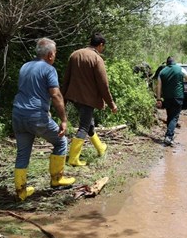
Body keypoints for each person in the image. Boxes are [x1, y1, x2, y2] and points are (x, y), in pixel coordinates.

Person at [12, 37, 75, 201]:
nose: (54, 56)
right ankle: (57, 179)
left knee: (23, 152)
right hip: (35, 116)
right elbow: (55, 95)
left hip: (18, 114)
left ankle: (21, 192)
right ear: (49, 55)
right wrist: (63, 120)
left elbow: (31, 91)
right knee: (61, 141)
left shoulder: (25, 67)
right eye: (54, 53)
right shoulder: (48, 69)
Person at [62, 33, 118, 166]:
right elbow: (103, 84)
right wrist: (111, 104)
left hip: (73, 97)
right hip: (87, 99)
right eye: (103, 47)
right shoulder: (97, 59)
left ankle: (100, 147)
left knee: (89, 123)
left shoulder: (74, 54)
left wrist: (63, 97)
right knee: (83, 127)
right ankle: (73, 159)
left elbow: (66, 78)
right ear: (100, 45)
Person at [156, 56, 187, 146]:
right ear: (174, 62)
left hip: (167, 97)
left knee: (170, 116)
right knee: (174, 117)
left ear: (167, 63)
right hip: (178, 97)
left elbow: (158, 87)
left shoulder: (162, 72)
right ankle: (169, 136)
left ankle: (169, 136)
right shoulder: (180, 69)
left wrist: (158, 99)